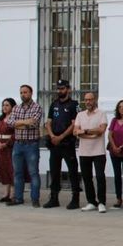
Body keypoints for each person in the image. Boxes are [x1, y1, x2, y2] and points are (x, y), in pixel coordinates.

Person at [45, 79, 81, 209]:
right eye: (58, 88)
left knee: (72, 171)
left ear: (68, 89)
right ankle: (54, 198)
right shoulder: (54, 104)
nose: (60, 91)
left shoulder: (73, 105)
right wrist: (52, 136)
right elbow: (48, 122)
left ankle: (75, 199)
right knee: (54, 171)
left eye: (62, 88)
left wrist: (61, 137)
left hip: (67, 143)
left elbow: (74, 124)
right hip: (55, 143)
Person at [6, 85, 43, 207]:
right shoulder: (16, 108)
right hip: (18, 144)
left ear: (31, 93)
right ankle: (18, 198)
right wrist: (25, 122)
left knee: (33, 172)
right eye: (21, 92)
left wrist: (18, 123)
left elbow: (34, 123)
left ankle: (35, 199)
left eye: (25, 92)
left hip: (31, 144)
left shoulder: (37, 107)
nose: (23, 94)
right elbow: (10, 123)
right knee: (18, 173)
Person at [74, 91, 108, 213]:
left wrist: (85, 131)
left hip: (98, 151)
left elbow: (101, 130)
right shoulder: (80, 115)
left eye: (90, 99)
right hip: (84, 152)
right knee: (86, 178)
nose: (88, 102)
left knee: (100, 177)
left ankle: (102, 202)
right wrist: (91, 133)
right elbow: (75, 131)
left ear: (95, 100)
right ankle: (91, 202)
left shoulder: (101, 114)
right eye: (86, 100)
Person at [0, 98, 19, 203]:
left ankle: (13, 194)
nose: (4, 107)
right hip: (0, 148)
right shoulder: (0, 119)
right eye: (3, 105)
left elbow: (15, 133)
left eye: (7, 105)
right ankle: (5, 193)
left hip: (9, 147)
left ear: (12, 107)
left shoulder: (14, 119)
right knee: (2, 168)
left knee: (11, 169)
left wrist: (6, 144)